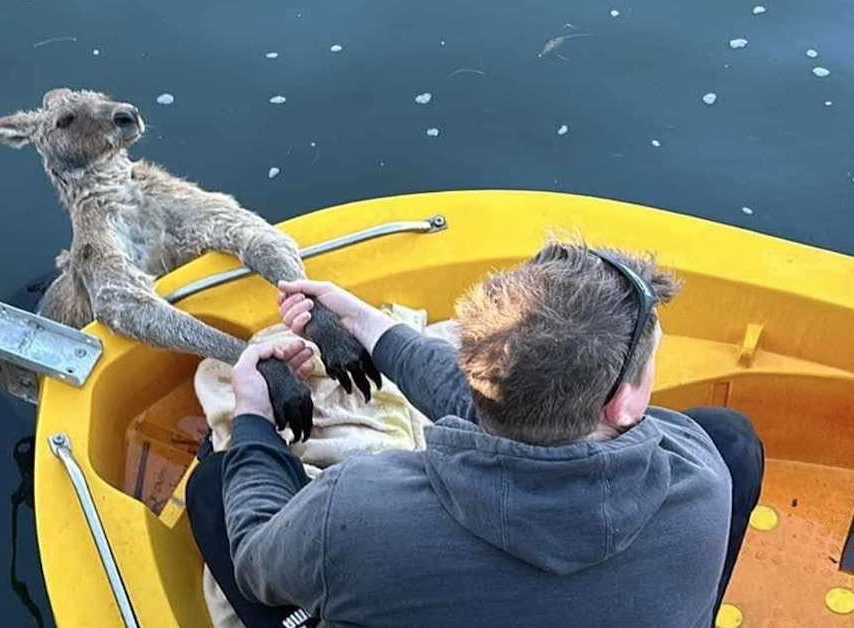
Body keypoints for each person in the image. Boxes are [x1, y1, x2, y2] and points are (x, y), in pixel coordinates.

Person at [185, 238, 764, 628]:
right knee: (732, 435)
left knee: (215, 484)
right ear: (624, 403)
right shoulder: (702, 476)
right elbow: (498, 404)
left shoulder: (351, 512)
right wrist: (367, 325)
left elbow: (258, 569)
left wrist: (256, 419)